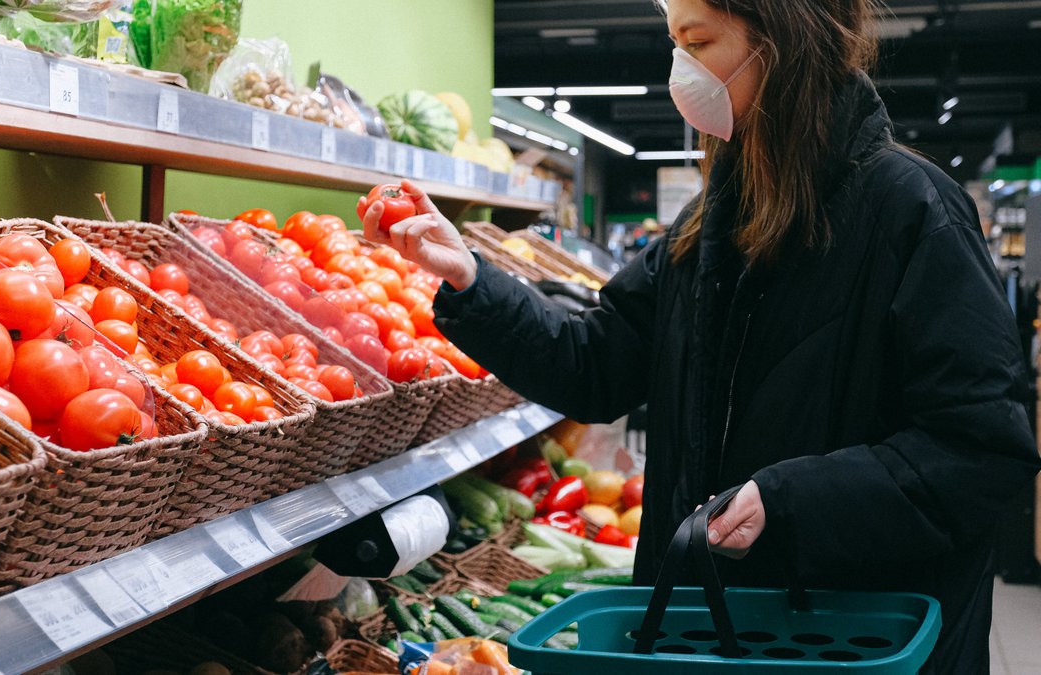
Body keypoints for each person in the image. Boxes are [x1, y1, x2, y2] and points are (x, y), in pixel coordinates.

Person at [359, 0, 1041, 671]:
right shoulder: (711, 223)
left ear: (779, 41)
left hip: (854, 639)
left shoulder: (913, 212)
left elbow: (980, 448)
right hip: (716, 631)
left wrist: (790, 499)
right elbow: (596, 363)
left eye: (700, 41)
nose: (679, 69)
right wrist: (472, 281)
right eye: (673, 43)